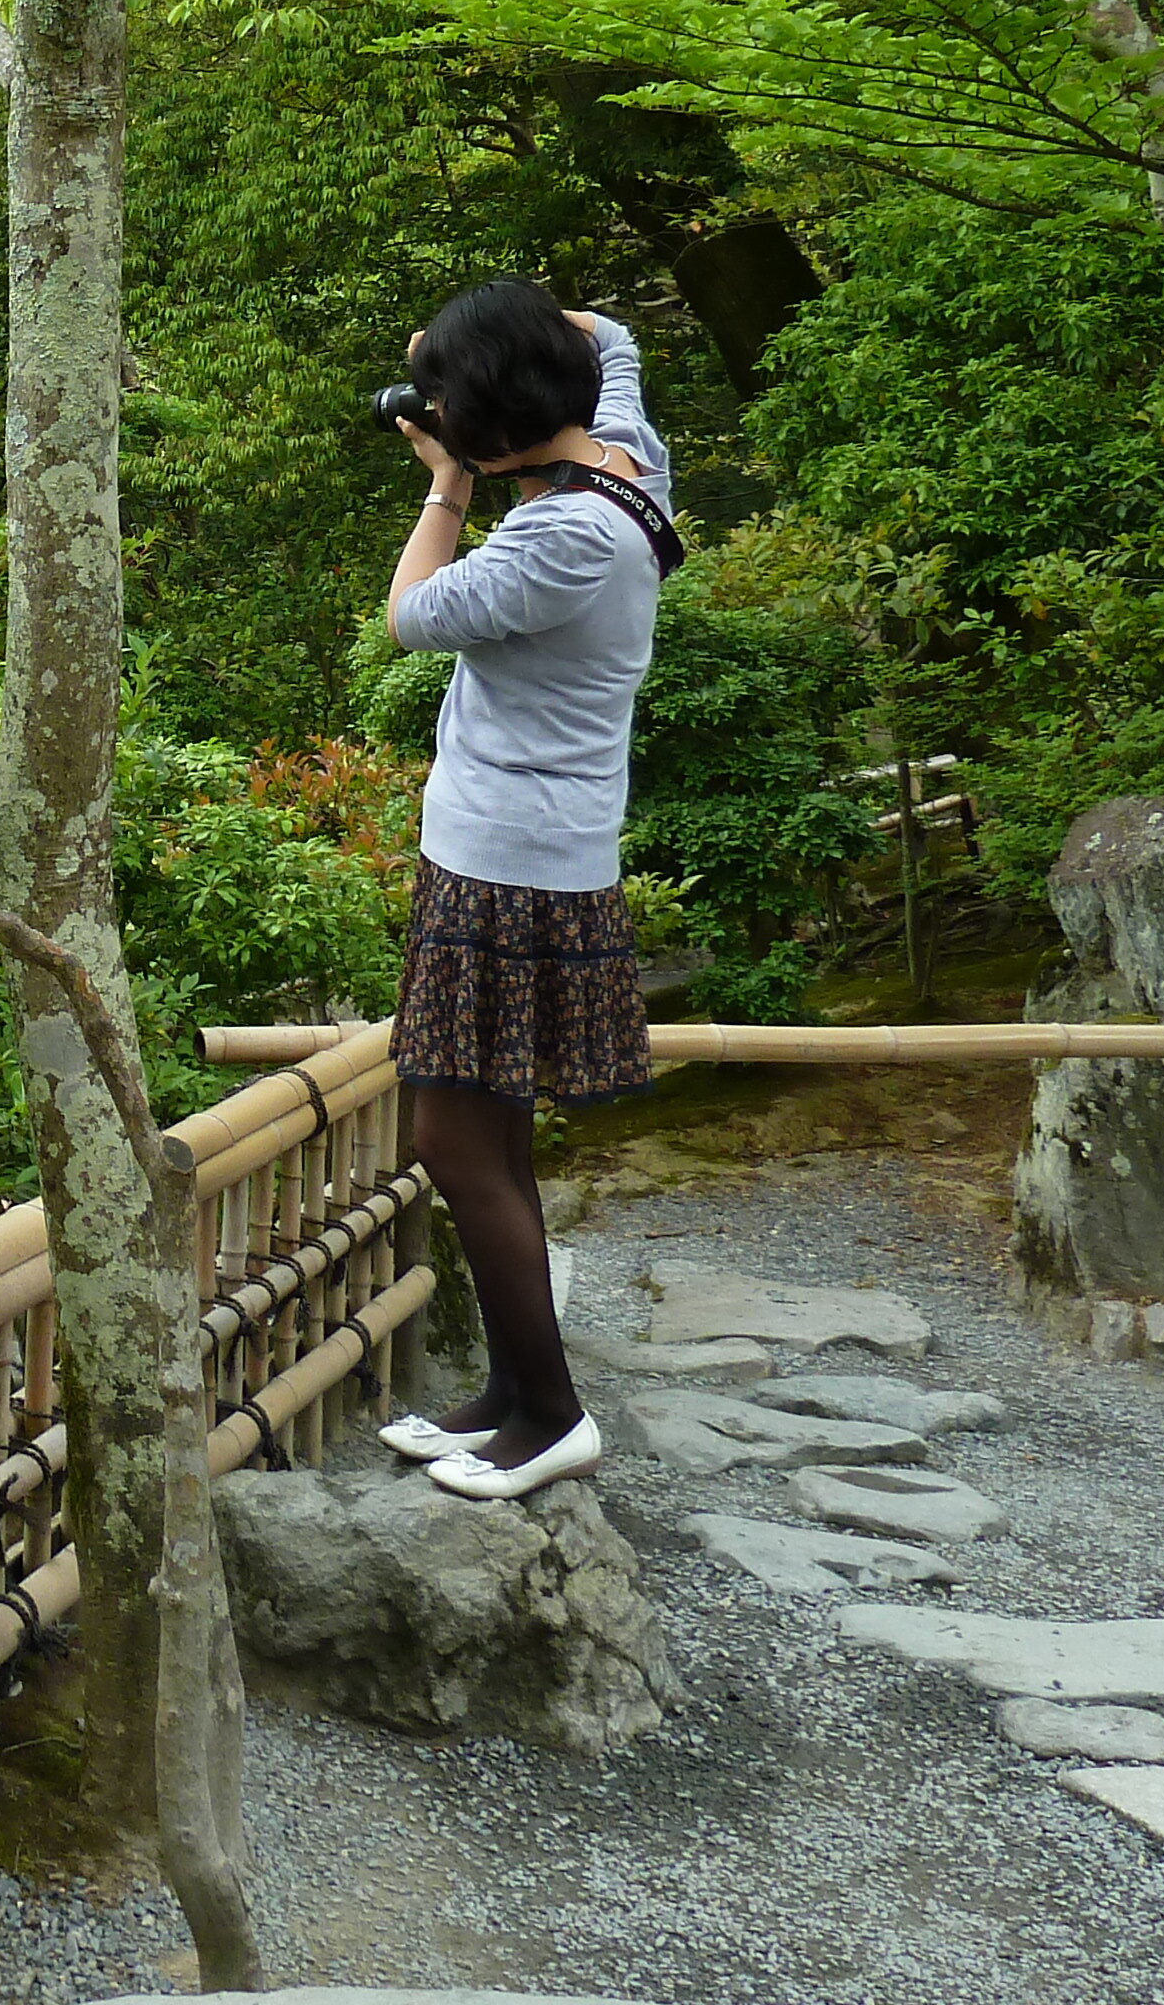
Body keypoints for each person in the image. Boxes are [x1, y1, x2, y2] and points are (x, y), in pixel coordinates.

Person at [368, 278, 673, 1502]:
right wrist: (478, 347)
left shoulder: (562, 540)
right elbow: (616, 338)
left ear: (494, 425)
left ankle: (549, 1417)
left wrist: (446, 484)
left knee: (452, 1140)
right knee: (494, 1136)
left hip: (507, 871)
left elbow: (412, 615)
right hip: (536, 852)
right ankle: (509, 1388)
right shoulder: (626, 458)